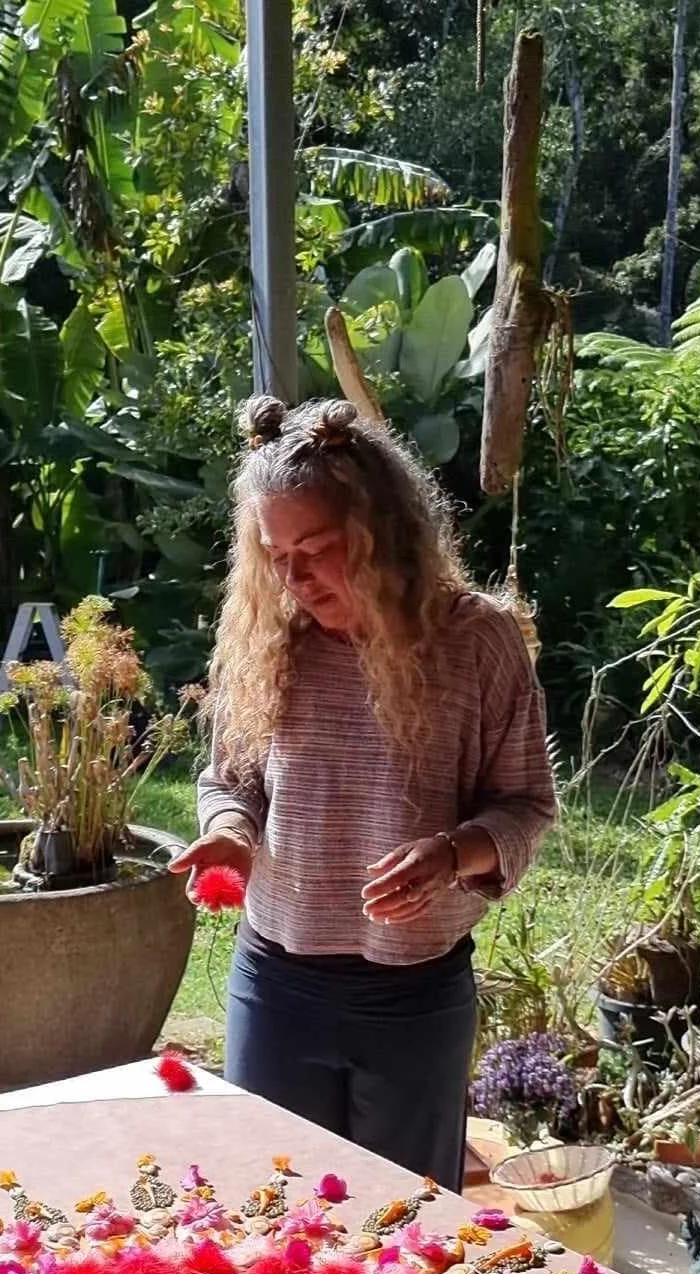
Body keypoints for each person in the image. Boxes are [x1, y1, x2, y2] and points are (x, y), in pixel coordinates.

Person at [170, 395, 556, 1191]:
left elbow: (524, 804)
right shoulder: (268, 640)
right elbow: (231, 778)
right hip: (276, 985)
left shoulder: (477, 641)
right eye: (275, 554)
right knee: (271, 1211)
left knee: (405, 1230)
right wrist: (232, 833)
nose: (295, 577)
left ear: (383, 535)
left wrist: (453, 855)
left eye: (316, 548)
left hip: (414, 997)